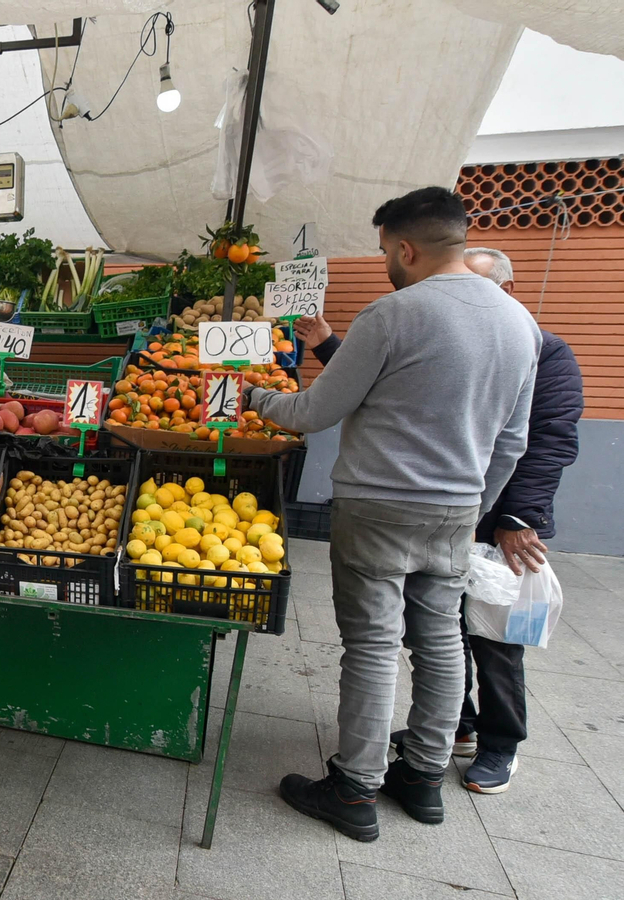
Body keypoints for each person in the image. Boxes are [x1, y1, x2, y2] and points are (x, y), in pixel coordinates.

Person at [244, 187, 540, 842]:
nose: (386, 263)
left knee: (374, 644)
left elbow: (315, 412)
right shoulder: (522, 326)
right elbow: (514, 440)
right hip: (456, 510)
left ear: (406, 246)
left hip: (378, 505)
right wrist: (474, 506)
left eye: (384, 251)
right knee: (438, 640)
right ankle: (425, 778)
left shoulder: (394, 315)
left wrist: (252, 394)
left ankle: (354, 788)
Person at [295, 247, 583, 795]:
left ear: (508, 290)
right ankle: (439, 754)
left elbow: (542, 443)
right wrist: (330, 346)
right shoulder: (466, 328)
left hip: (491, 516)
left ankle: (491, 746)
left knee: (485, 637)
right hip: (460, 507)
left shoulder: (542, 350)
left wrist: (511, 515)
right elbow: (393, 388)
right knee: (441, 636)